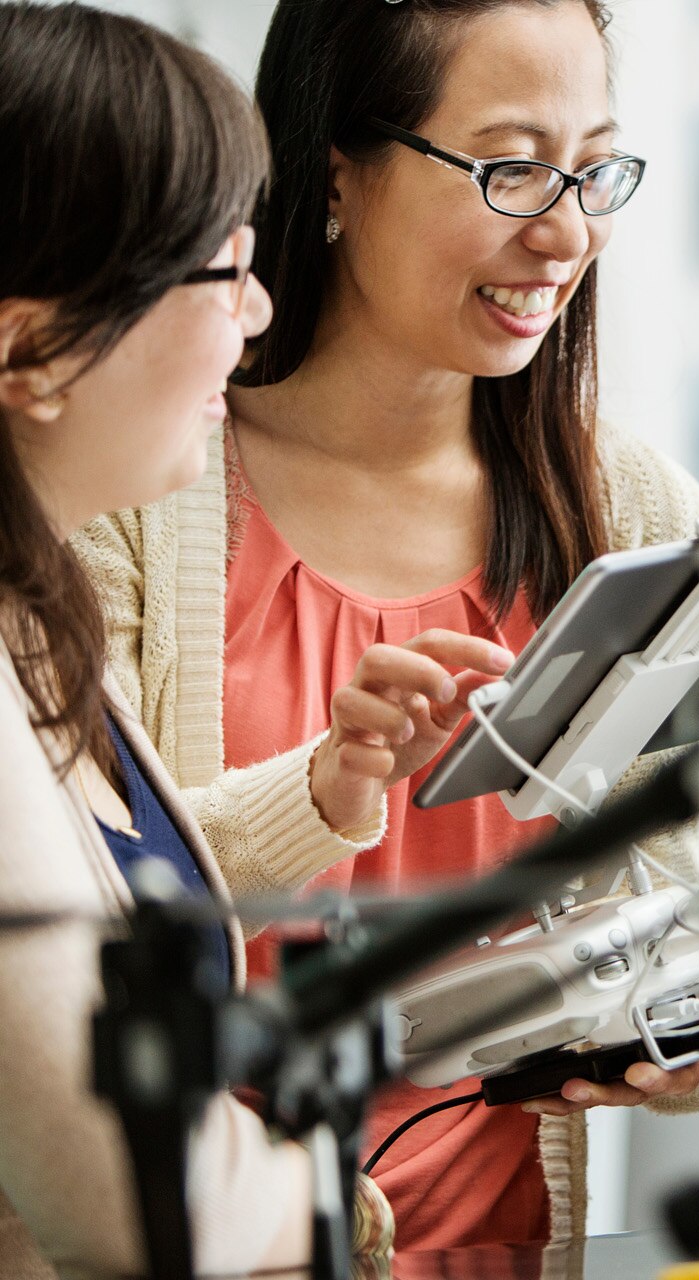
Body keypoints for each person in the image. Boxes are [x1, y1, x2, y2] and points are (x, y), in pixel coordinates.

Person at [71, 0, 699, 1250]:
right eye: (509, 168)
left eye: (593, 169)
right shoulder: (130, 490)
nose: (567, 231)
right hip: (202, 1244)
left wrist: (687, 1026)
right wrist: (326, 787)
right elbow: (84, 912)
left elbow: (687, 891)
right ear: (340, 168)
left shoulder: (632, 510)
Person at [0, 4, 392, 1273]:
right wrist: (322, 1192)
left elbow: (98, 897)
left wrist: (323, 791)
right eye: (223, 268)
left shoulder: (38, 604)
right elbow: (132, 1187)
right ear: (32, 347)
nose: (262, 311)